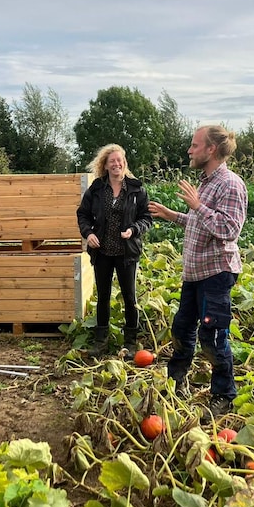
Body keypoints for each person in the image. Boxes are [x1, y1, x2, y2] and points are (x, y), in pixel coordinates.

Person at [148, 125, 248, 419]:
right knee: (182, 329)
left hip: (216, 273)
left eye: (194, 145)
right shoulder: (206, 183)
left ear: (211, 149)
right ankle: (176, 383)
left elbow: (229, 230)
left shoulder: (230, 184)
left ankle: (224, 396)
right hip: (195, 273)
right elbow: (201, 223)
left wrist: (197, 205)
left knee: (212, 336)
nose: (189, 150)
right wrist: (173, 215)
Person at [77, 144, 152, 359]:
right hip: (102, 251)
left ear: (124, 163)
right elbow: (83, 215)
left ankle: (130, 342)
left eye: (120, 160)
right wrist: (89, 233)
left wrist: (133, 229)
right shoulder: (96, 190)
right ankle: (100, 342)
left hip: (127, 252)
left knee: (129, 296)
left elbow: (146, 218)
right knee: (103, 296)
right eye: (112, 161)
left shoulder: (137, 190)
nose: (116, 164)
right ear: (105, 165)